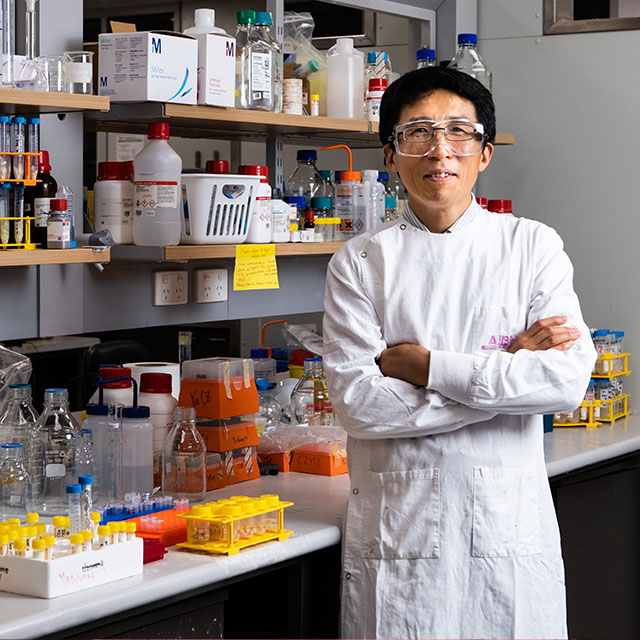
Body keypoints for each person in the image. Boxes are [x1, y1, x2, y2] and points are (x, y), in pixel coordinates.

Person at [322, 66, 597, 640]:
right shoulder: (359, 262)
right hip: (400, 539)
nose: (439, 150)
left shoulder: (531, 246)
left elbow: (565, 383)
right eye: (417, 132)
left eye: (458, 132)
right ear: (391, 155)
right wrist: (507, 380)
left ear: (485, 153)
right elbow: (358, 405)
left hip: (507, 538)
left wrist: (428, 367)